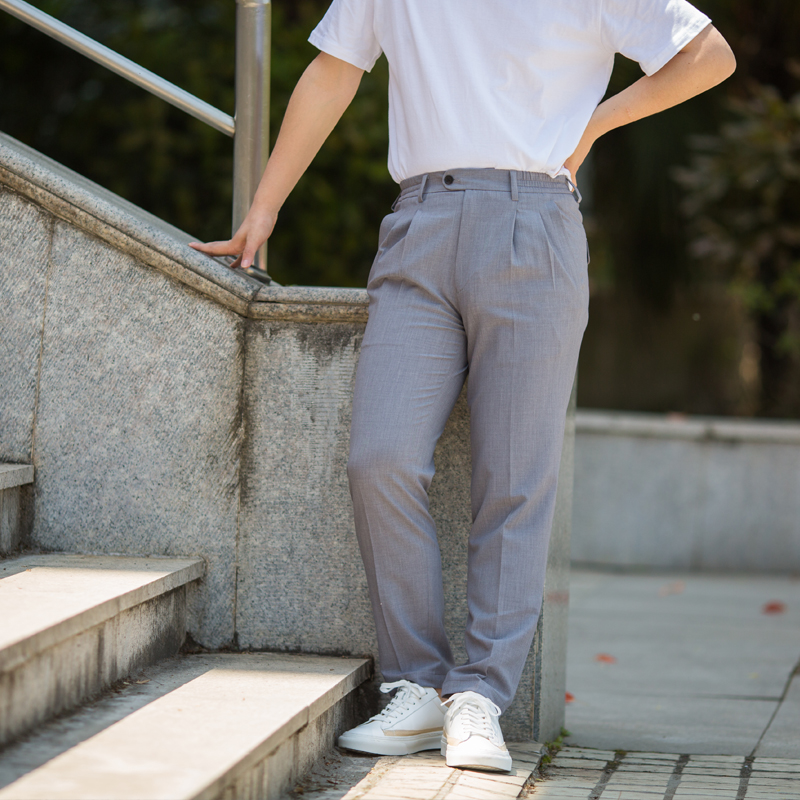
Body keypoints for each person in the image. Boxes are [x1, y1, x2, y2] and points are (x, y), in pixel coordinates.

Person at [190, 0, 735, 774]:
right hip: (420, 224)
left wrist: (595, 125)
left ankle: (479, 696)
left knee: (514, 479)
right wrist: (264, 208)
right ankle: (415, 684)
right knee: (379, 457)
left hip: (535, 221)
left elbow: (710, 55)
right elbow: (332, 71)